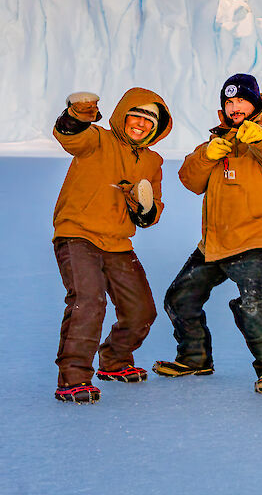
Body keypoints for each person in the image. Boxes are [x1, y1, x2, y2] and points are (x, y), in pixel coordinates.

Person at [154, 74, 262, 394]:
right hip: (216, 241)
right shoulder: (219, 140)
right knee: (180, 298)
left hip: (255, 235)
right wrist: (206, 156)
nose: (235, 107)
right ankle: (194, 358)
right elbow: (190, 180)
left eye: (241, 100)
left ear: (256, 102)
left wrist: (258, 136)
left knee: (252, 303)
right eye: (229, 103)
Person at [49, 88, 172, 403]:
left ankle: (114, 361)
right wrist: (79, 114)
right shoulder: (97, 140)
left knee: (141, 310)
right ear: (123, 116)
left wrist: (145, 209)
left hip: (118, 243)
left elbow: (151, 210)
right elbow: (70, 136)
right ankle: (73, 379)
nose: (141, 124)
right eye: (137, 115)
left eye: (150, 120)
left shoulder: (153, 161)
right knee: (88, 301)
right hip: (77, 233)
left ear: (157, 128)